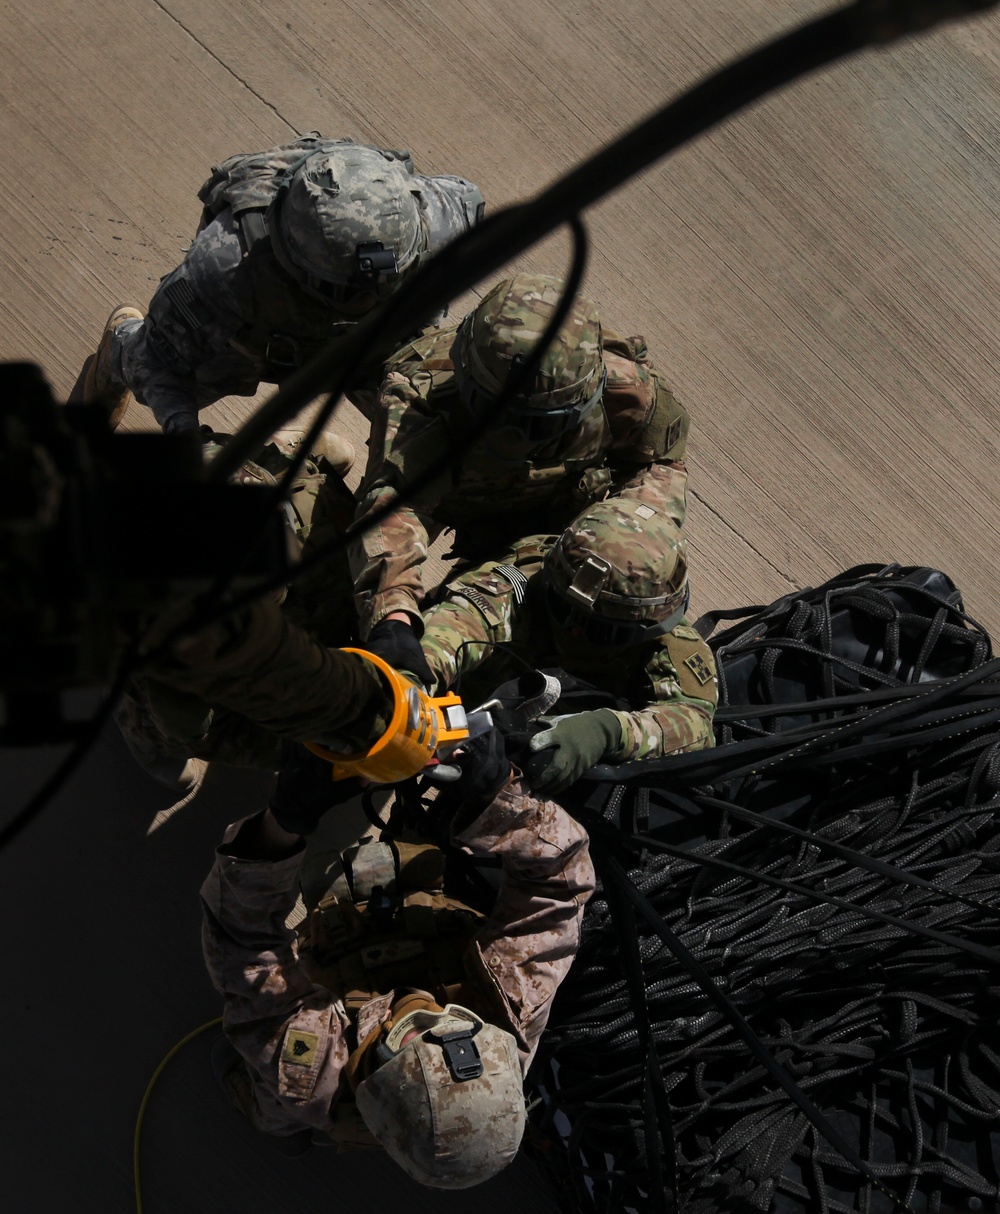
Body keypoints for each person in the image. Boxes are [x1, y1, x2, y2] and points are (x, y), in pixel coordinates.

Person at [201, 730, 595, 1186]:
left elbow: (240, 941)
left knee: (283, 1100)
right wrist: (500, 799)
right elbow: (560, 883)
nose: (422, 1009)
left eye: (408, 1033)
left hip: (327, 1028)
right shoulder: (509, 1014)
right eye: (453, 1021)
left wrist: (282, 823)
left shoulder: (316, 1070)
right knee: (407, 861)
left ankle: (275, 1123)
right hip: (423, 933)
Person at [348, 272, 691, 666]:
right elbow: (391, 512)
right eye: (495, 413)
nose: (517, 439)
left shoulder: (626, 391)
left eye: (541, 424)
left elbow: (661, 463)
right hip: (455, 497)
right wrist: (394, 617)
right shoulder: (420, 402)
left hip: (559, 517)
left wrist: (620, 549)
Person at [79, 134, 484, 433]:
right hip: (258, 329)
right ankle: (115, 350)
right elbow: (159, 365)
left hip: (371, 343)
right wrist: (183, 430)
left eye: (382, 282)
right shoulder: (224, 268)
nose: (366, 300)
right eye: (345, 291)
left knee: (434, 419)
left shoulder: (449, 221)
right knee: (166, 370)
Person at [418, 495, 718, 791]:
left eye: (600, 630)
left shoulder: (666, 642)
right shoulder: (517, 587)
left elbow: (695, 724)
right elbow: (449, 630)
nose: (574, 632)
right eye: (563, 610)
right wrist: (412, 682)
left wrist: (607, 732)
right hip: (462, 706)